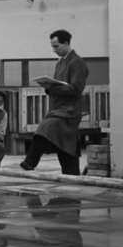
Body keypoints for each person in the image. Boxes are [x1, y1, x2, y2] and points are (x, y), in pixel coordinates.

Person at [20, 29, 88, 175]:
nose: (54, 50)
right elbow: (57, 85)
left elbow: (76, 89)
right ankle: (72, 174)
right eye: (52, 47)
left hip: (69, 110)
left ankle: (30, 162)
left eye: (56, 46)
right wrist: (48, 86)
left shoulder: (77, 62)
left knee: (46, 127)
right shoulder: (60, 63)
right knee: (66, 144)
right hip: (58, 108)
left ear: (66, 43)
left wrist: (53, 88)